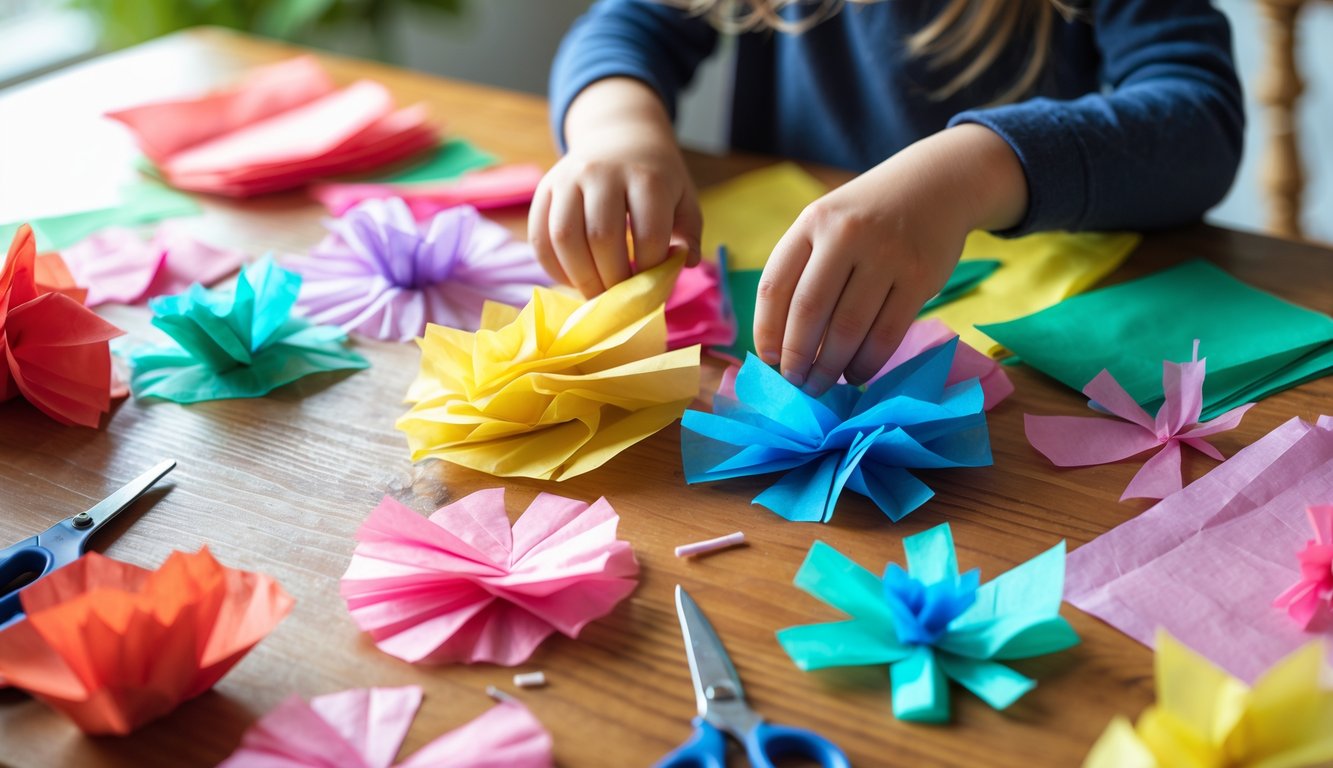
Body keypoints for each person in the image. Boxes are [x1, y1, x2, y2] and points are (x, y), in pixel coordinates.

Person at [529, 0, 1242, 396]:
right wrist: (612, 127)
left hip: (1056, 356)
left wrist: (967, 175)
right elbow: (628, 23)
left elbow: (1197, 119)